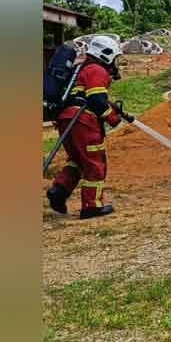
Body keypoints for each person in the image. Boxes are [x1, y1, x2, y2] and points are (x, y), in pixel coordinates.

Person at [46, 36, 133, 219]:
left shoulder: (80, 68)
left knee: (78, 160)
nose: (116, 63)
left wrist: (116, 109)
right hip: (83, 121)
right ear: (106, 54)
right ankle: (91, 206)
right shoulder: (97, 70)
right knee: (95, 162)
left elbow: (88, 95)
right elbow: (96, 100)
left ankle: (59, 191)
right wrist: (113, 118)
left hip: (66, 119)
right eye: (115, 58)